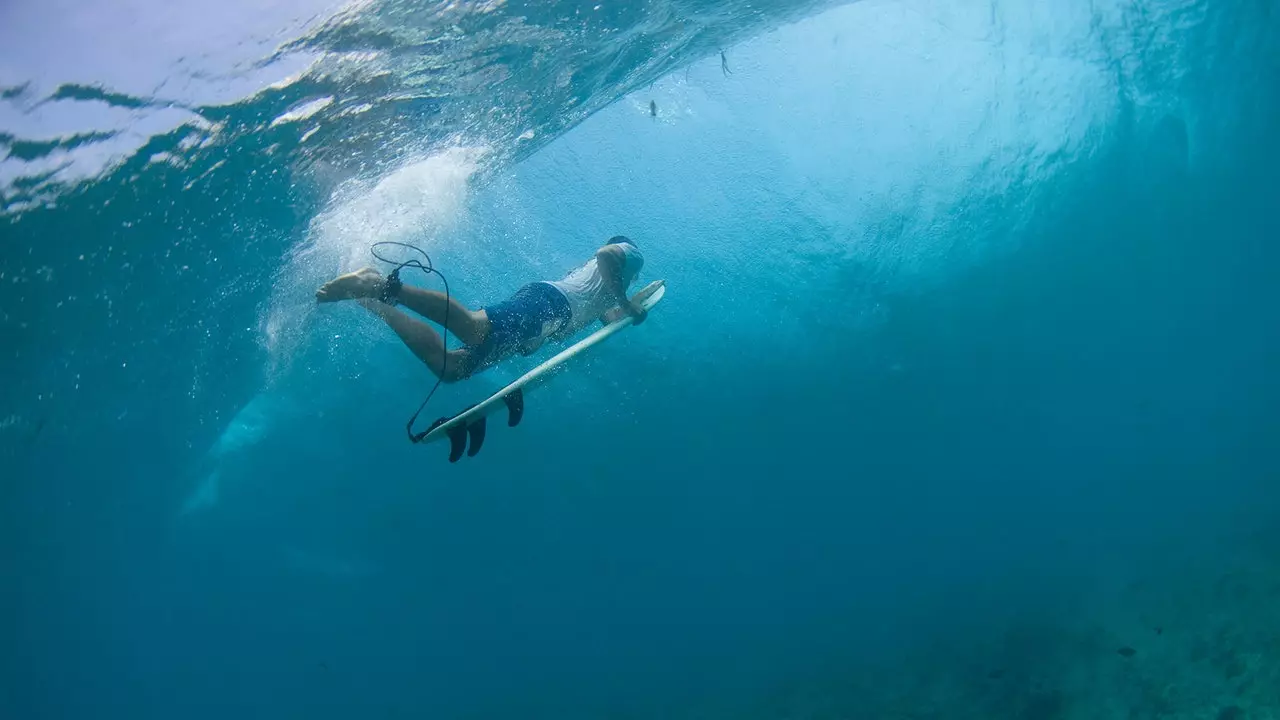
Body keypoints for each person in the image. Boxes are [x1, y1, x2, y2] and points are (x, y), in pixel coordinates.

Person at [316, 236, 655, 383]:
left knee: (450, 369)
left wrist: (629, 312)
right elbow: (607, 253)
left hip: (546, 321)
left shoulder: (609, 293)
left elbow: (605, 317)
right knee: (474, 328)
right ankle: (383, 286)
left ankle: (374, 301)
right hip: (549, 304)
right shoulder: (631, 256)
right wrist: (627, 301)